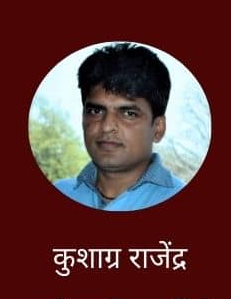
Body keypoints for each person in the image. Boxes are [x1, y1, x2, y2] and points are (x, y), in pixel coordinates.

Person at [54, 43, 185, 212]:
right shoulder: (62, 191)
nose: (107, 126)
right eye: (95, 111)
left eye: (129, 113)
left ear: (158, 129)